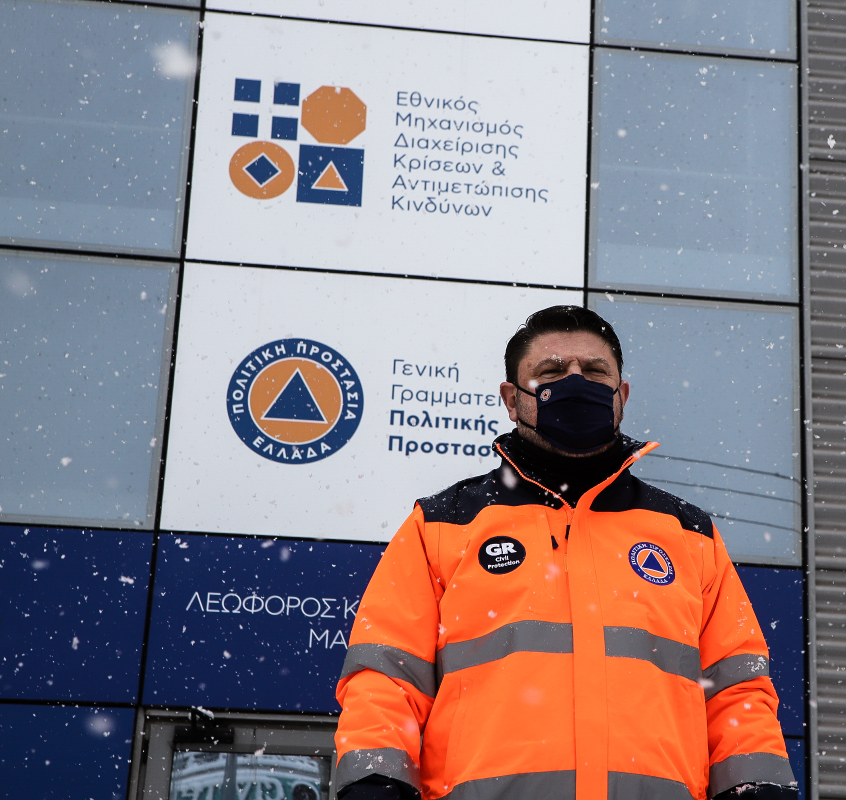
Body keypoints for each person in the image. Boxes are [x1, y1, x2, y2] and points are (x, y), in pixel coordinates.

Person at [333, 306, 796, 800]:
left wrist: (758, 788)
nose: (575, 383)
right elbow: (386, 681)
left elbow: (737, 693)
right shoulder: (442, 525)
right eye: (551, 372)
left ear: (621, 396)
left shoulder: (688, 533)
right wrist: (374, 785)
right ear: (512, 399)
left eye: (595, 371)